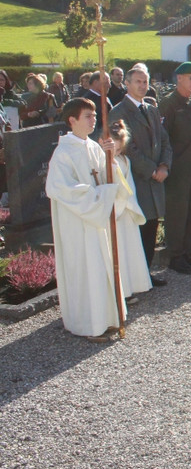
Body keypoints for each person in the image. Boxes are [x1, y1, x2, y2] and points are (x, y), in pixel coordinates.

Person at [45, 98, 129, 341]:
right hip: (78, 223)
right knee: (86, 269)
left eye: (94, 115)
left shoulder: (93, 147)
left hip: (97, 220)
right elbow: (61, 189)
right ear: (72, 120)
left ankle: (107, 318)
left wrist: (110, 158)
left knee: (102, 268)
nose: (94, 120)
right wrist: (101, 195)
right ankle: (87, 325)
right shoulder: (63, 153)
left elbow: (108, 177)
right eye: (88, 116)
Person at [109, 66, 171, 286]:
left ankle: (145, 274)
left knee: (151, 227)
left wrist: (164, 166)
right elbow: (126, 147)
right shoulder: (119, 112)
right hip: (137, 179)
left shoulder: (151, 109)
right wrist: (151, 170)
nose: (143, 86)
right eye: (138, 82)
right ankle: (136, 277)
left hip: (155, 178)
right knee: (139, 229)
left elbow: (164, 140)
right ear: (127, 83)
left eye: (145, 82)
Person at [159, 62, 191, 276]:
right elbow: (163, 138)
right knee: (177, 214)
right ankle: (176, 255)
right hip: (178, 170)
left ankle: (190, 252)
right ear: (179, 78)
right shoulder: (169, 104)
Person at [107, 121, 151, 302]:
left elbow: (129, 185)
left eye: (119, 150)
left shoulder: (125, 161)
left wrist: (128, 203)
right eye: (114, 150)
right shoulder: (103, 163)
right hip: (115, 212)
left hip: (126, 211)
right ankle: (118, 293)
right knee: (117, 253)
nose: (116, 153)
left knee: (128, 252)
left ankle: (130, 288)